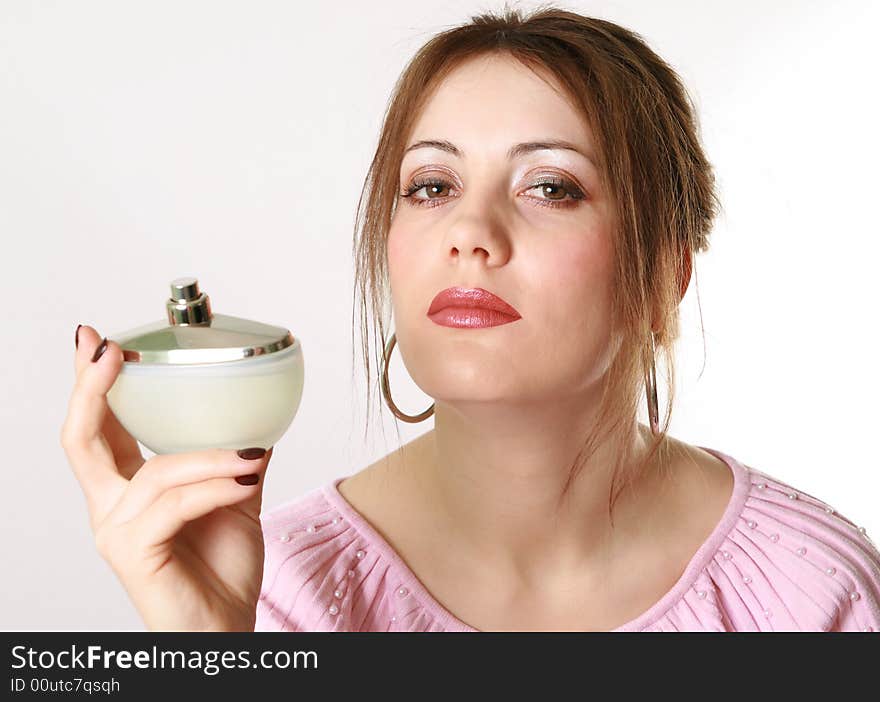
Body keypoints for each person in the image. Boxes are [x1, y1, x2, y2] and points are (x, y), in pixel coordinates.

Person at [63, 7, 880, 632]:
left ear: (665, 274)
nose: (470, 235)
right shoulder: (276, 591)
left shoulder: (813, 593)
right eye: (431, 186)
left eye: (551, 187)